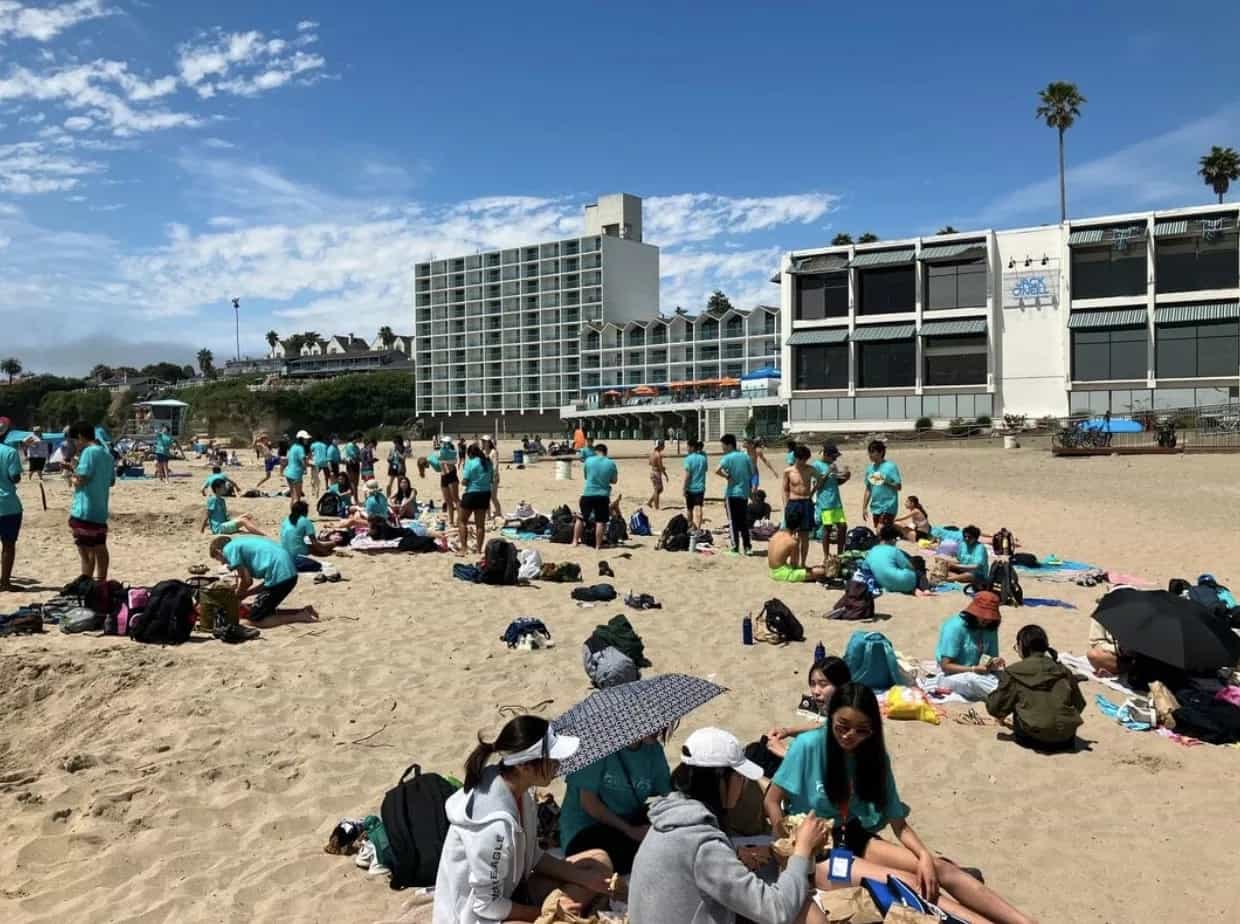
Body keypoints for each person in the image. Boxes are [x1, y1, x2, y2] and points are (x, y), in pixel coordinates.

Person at [764, 684, 1036, 924]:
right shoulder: (809, 746)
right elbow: (773, 801)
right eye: (842, 726)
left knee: (939, 868)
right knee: (907, 884)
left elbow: (899, 824)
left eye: (861, 730)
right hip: (818, 851)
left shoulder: (873, 757)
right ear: (830, 718)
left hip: (852, 835)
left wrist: (925, 856)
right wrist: (787, 848)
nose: (849, 736)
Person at [629, 727, 830, 924]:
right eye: (740, 777)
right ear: (720, 780)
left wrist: (732, 857)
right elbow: (777, 911)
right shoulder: (703, 845)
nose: (743, 785)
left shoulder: (669, 819)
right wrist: (802, 851)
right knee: (807, 912)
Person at [433, 715, 613, 924]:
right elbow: (486, 906)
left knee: (599, 861)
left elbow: (531, 855)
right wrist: (542, 914)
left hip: (516, 889)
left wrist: (582, 878)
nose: (558, 765)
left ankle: (568, 911)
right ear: (525, 767)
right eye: (552, 760)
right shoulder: (493, 827)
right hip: (482, 916)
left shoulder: (521, 791)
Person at [557, 732, 673, 876]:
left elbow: (668, 794)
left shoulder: (654, 751)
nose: (660, 727)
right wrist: (629, 830)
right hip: (587, 828)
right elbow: (589, 804)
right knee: (646, 853)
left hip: (628, 820)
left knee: (670, 823)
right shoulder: (597, 747)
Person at [986, 625, 1084, 752]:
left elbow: (995, 707)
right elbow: (1079, 704)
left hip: (1032, 739)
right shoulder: (1063, 670)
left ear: (1022, 646)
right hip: (1067, 739)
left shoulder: (1014, 672)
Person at [209, 535, 316, 625]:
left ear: (219, 551)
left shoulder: (229, 549)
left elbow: (247, 581)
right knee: (264, 608)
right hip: (288, 574)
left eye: (218, 559)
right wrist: (246, 594)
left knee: (255, 619)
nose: (222, 563)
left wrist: (237, 597)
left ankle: (300, 617)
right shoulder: (241, 544)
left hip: (282, 577)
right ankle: (303, 611)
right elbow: (266, 586)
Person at [765, 657, 854, 759]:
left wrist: (784, 752)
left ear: (841, 686)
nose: (816, 691)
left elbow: (827, 768)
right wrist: (786, 731)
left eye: (823, 684)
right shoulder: (840, 712)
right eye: (813, 684)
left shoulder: (851, 723)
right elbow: (822, 726)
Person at [935, 591, 1005, 700]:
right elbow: (946, 666)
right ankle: (1003, 695)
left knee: (1005, 676)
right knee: (972, 680)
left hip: (980, 673)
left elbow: (990, 658)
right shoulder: (955, 627)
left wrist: (995, 662)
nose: (986, 620)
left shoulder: (990, 628)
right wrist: (973, 669)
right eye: (983, 616)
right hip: (953, 674)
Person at [67, 420, 114, 583]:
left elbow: (83, 478)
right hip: (100, 510)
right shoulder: (107, 454)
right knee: (100, 548)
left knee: (85, 552)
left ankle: (86, 583)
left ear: (80, 437)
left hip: (84, 509)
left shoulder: (88, 452)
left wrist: (72, 475)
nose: (75, 444)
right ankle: (101, 582)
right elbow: (111, 481)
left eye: (74, 440)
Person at [865, 525, 932, 596]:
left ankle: (914, 590)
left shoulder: (872, 551)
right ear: (893, 539)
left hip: (886, 585)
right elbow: (908, 566)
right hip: (904, 581)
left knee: (897, 582)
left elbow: (866, 567)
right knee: (918, 574)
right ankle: (926, 590)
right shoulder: (895, 551)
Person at [573, 442, 618, 548]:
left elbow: (586, 476)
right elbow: (614, 480)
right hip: (602, 495)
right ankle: (598, 545)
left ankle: (575, 541)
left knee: (581, 518)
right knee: (600, 521)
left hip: (588, 493)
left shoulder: (588, 461)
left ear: (596, 451)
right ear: (605, 452)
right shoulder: (611, 463)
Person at [781, 444, 820, 568]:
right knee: (790, 535)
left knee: (805, 536)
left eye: (805, 459)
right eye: (801, 459)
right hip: (793, 503)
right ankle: (791, 562)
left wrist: (812, 493)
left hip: (806, 502)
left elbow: (820, 480)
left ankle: (803, 563)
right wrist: (786, 504)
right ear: (796, 458)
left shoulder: (810, 469)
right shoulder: (788, 471)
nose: (803, 462)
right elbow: (785, 489)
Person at [716, 434, 755, 556]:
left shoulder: (728, 458)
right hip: (744, 493)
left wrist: (727, 476)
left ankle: (735, 547)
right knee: (743, 521)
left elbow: (717, 470)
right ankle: (748, 547)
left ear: (729, 445)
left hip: (732, 493)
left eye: (723, 445)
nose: (722, 448)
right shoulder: (746, 457)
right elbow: (752, 473)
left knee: (733, 521)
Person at [768, 506, 827, 583]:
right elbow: (794, 565)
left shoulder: (775, 535)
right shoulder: (792, 542)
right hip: (782, 574)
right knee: (821, 572)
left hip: (772, 571)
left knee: (812, 569)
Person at [813, 443, 849, 558]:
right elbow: (817, 486)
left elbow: (835, 483)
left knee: (843, 527)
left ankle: (840, 554)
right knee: (827, 528)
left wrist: (846, 477)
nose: (835, 459)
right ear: (827, 455)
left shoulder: (833, 465)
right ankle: (826, 555)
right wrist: (828, 472)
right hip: (825, 502)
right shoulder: (817, 465)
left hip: (836, 501)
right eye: (834, 457)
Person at [280, 500, 336, 572]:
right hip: (297, 553)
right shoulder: (305, 521)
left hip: (284, 551)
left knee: (309, 546)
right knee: (331, 544)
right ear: (305, 511)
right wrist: (325, 552)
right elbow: (314, 543)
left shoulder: (286, 519)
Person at [459, 444, 493, 556]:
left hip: (472, 493)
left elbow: (465, 480)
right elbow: (491, 479)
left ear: (470, 454)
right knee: (480, 525)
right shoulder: (488, 463)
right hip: (485, 494)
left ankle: (464, 548)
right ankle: (479, 550)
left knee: (462, 521)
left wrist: (465, 482)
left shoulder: (470, 463)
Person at [0, 417, 22, 591]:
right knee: (8, 545)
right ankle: (5, 582)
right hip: (7, 505)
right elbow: (15, 477)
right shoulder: (10, 452)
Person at [861, 440, 901, 531]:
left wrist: (885, 482)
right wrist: (864, 508)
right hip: (876, 506)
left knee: (880, 530)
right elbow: (868, 489)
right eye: (869, 452)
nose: (870, 455)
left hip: (889, 506)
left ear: (881, 452)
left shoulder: (891, 467)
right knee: (884, 534)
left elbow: (899, 487)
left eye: (872, 452)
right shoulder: (870, 469)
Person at [682, 439, 709, 529]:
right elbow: (705, 470)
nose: (687, 449)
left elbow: (687, 475)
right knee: (699, 507)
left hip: (690, 487)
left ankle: (690, 526)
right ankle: (698, 527)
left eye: (688, 447)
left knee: (690, 508)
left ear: (692, 447)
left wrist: (684, 488)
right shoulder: (703, 458)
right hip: (700, 486)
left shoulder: (688, 459)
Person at [437, 436, 460, 527]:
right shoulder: (441, 451)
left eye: (445, 442)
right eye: (443, 442)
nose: (443, 444)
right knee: (448, 500)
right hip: (444, 477)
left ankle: (459, 518)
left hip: (451, 476)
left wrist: (444, 461)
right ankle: (451, 521)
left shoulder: (452, 452)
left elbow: (453, 462)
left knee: (455, 499)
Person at [285, 430, 309, 505]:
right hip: (296, 474)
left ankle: (293, 514)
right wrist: (306, 468)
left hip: (288, 473)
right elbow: (303, 460)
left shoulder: (293, 447)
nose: (307, 440)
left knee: (293, 496)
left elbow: (289, 458)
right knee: (297, 497)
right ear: (302, 439)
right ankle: (296, 514)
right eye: (306, 438)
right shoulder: (300, 448)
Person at [484, 437, 504, 519]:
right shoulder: (484, 452)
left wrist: (493, 477)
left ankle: (498, 512)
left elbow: (495, 466)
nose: (483, 443)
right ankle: (488, 515)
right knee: (486, 497)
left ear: (488, 442)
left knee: (493, 497)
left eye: (484, 441)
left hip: (493, 477)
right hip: (485, 477)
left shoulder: (494, 452)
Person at [647, 439, 668, 510]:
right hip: (656, 473)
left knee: (659, 489)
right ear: (660, 446)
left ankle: (650, 502)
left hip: (653, 471)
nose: (664, 447)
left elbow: (650, 463)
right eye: (663, 445)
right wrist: (665, 474)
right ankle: (656, 506)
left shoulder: (652, 453)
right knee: (657, 490)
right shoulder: (658, 455)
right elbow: (660, 467)